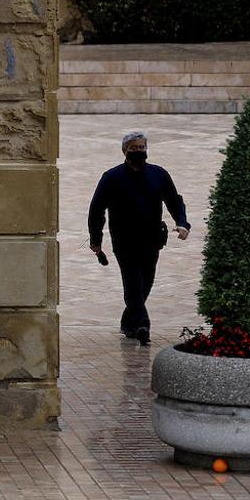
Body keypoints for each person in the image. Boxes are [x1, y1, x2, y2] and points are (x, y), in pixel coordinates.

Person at [87, 131, 190, 345]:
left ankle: (128, 322)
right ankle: (143, 325)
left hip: (152, 239)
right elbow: (96, 210)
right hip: (124, 241)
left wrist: (182, 223)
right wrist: (96, 240)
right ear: (125, 150)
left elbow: (174, 200)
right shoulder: (111, 177)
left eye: (141, 148)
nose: (138, 151)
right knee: (133, 283)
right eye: (134, 148)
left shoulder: (159, 174)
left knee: (146, 284)